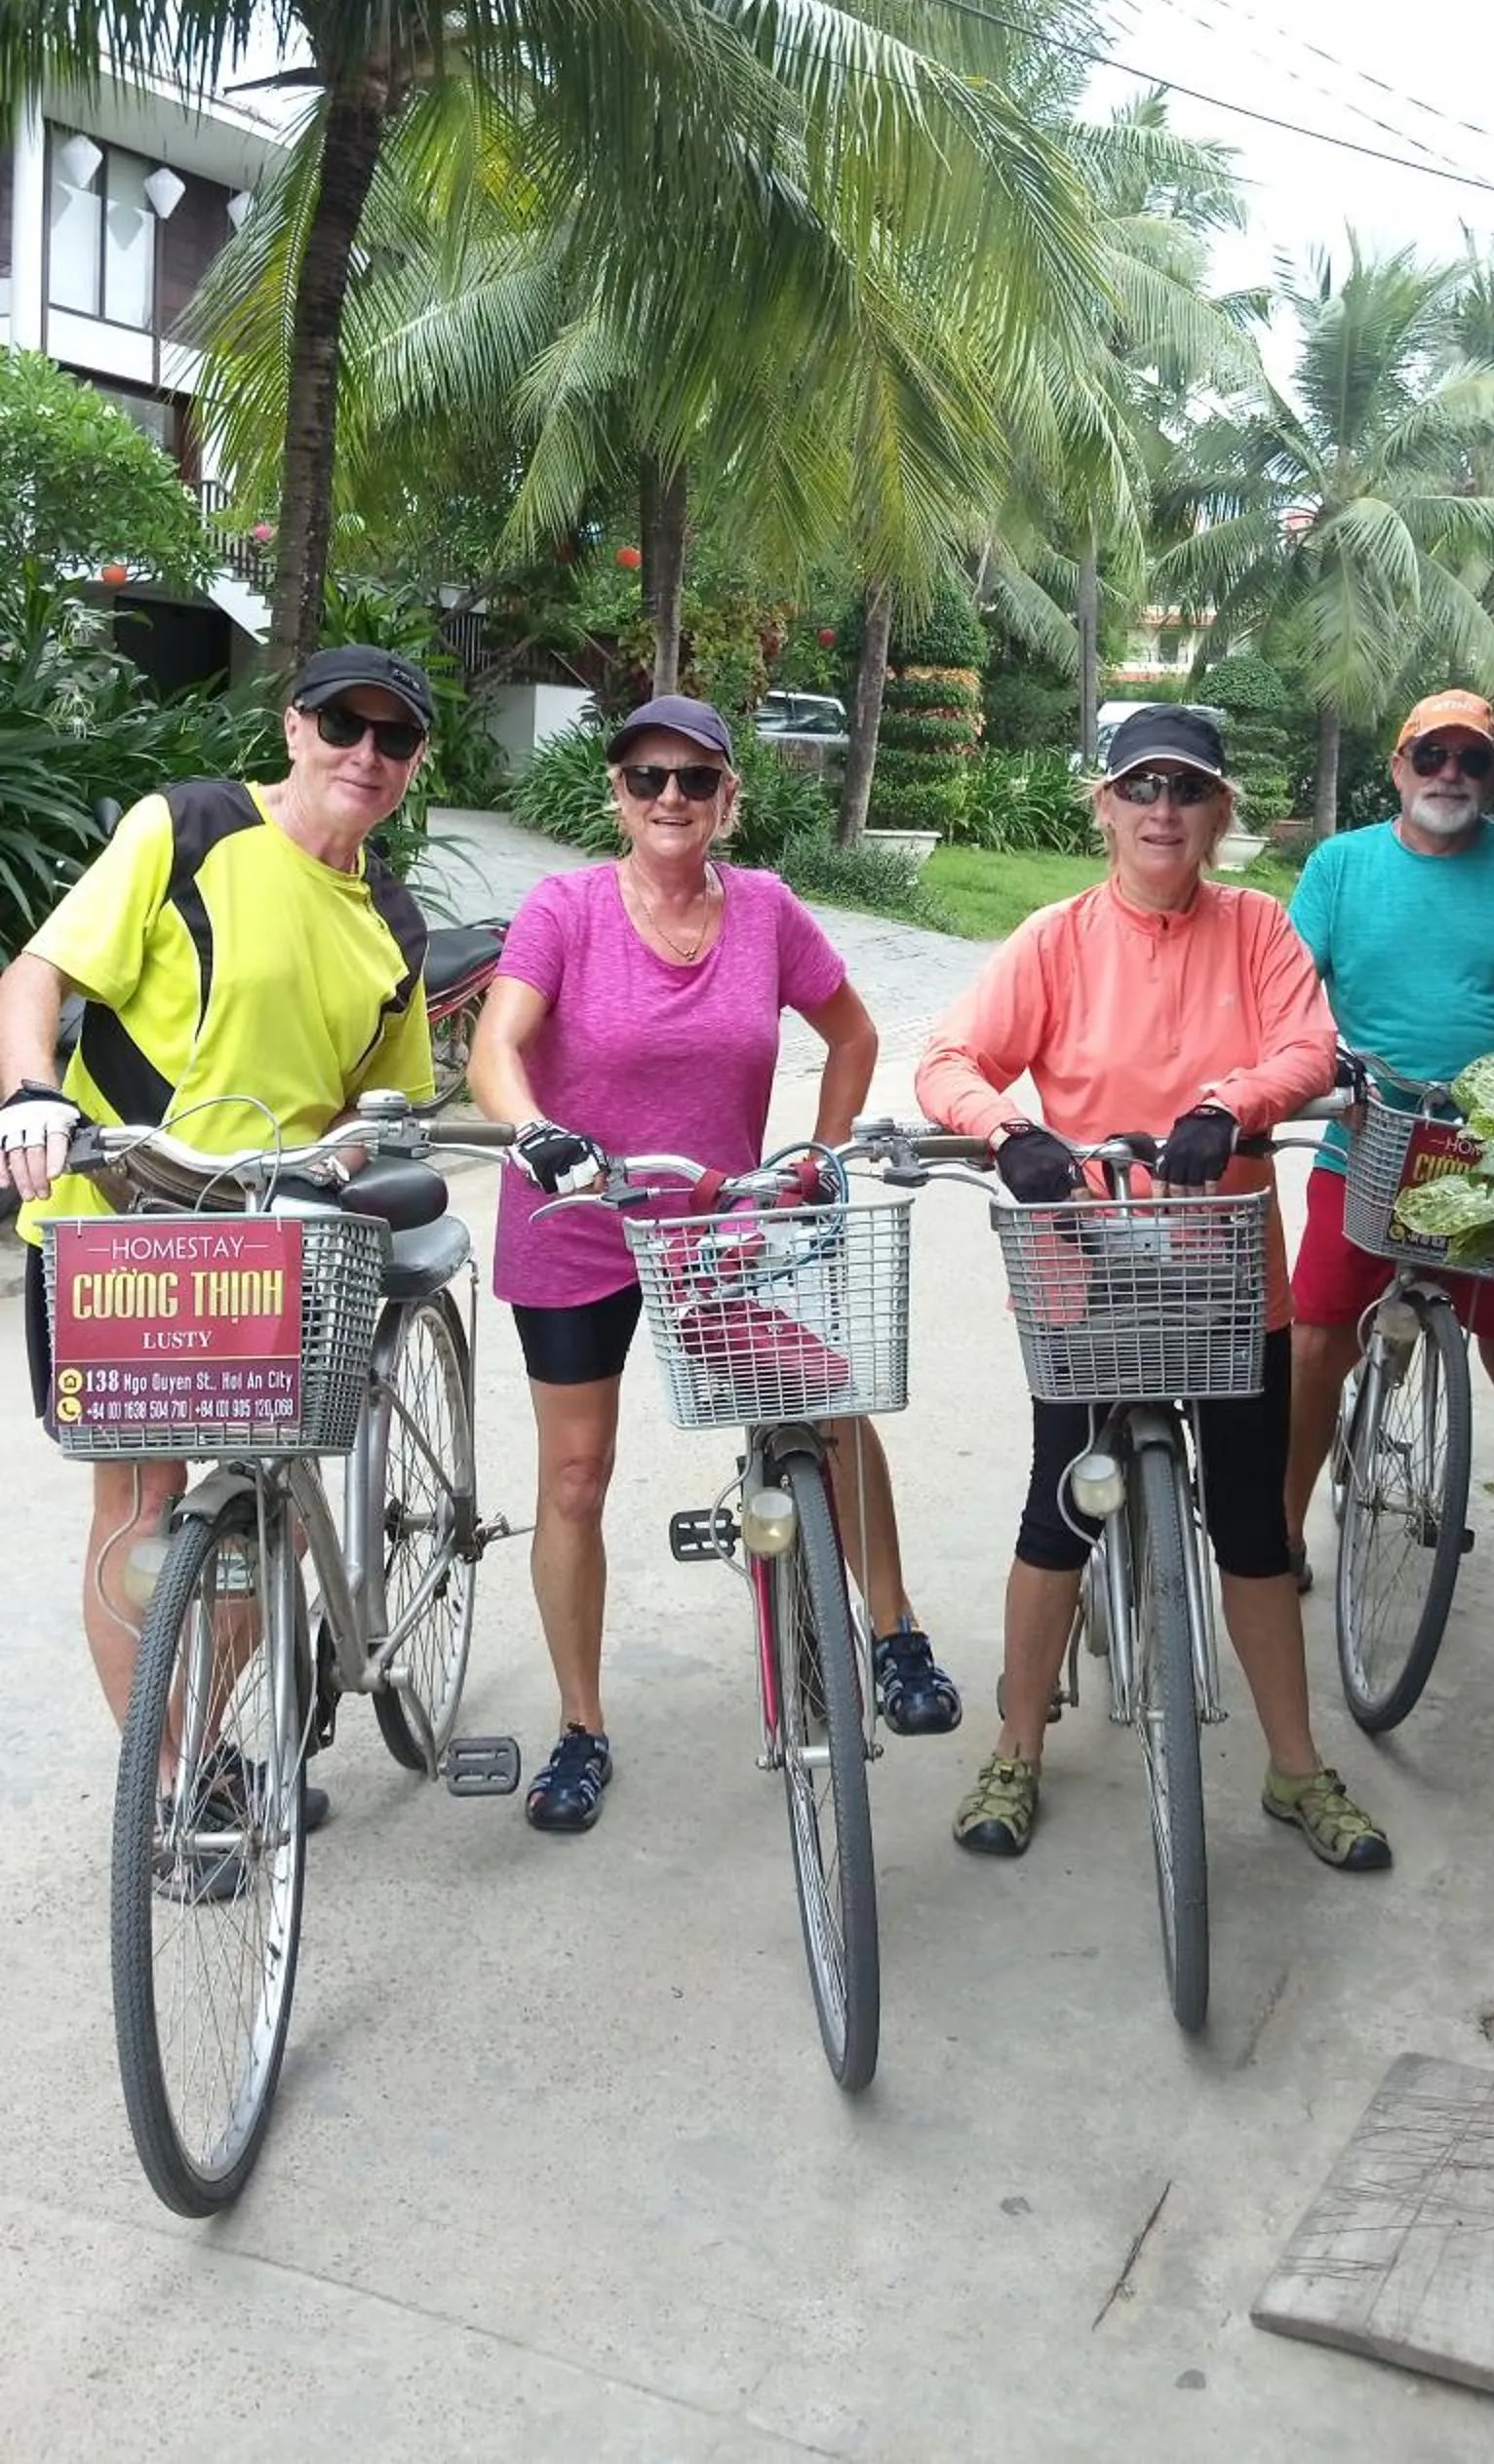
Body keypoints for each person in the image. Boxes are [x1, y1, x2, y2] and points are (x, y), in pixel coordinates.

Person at [469, 690, 963, 1834]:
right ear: (617, 797)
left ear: (730, 797)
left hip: (717, 1221)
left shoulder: (769, 912)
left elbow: (853, 1035)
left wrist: (819, 1159)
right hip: (578, 1220)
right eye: (647, 779)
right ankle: (581, 1728)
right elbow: (497, 1043)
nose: (671, 798)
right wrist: (532, 1132)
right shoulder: (565, 906)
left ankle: (893, 1631)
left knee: (826, 1410)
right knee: (575, 1477)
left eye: (695, 779)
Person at [915, 707, 1390, 1871]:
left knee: (1250, 1531)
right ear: (1105, 807)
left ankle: (1294, 1769)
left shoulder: (1260, 930)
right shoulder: (1053, 937)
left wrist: (1232, 1104)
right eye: (1140, 789)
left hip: (1225, 1274)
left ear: (1218, 810)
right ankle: (1014, 1748)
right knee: (1055, 1511)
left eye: (1186, 791)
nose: (1162, 812)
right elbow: (944, 1061)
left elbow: (1311, 1046)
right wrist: (1005, 1130)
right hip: (1086, 1269)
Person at [0, 645, 439, 1809]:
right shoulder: (186, 828)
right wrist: (31, 1094)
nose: (366, 754)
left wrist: (331, 1157)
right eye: (344, 723)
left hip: (269, 1241)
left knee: (275, 1515)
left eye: (393, 739)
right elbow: (35, 977)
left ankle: (196, 1749)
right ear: (294, 727)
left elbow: (374, 1108)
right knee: (138, 1516)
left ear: (413, 765)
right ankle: (174, 1781)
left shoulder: (391, 922)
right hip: (112, 1233)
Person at [1282, 688, 1494, 1667]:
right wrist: (1319, 1068)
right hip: (1368, 1138)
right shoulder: (1341, 865)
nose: (1449, 776)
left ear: (1491, 776)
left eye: (1471, 761)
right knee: (1310, 1344)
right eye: (1431, 757)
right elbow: (1292, 992)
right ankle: (1278, 1536)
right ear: (1397, 766)